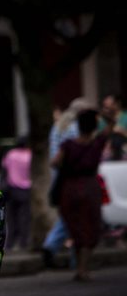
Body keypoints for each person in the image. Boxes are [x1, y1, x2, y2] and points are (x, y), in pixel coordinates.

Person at [53, 108, 111, 282]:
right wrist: (102, 113)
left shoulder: (68, 145)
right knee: (89, 227)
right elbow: (110, 126)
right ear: (94, 126)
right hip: (90, 187)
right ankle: (83, 269)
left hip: (69, 188)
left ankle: (79, 268)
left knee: (76, 228)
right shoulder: (96, 144)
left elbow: (55, 162)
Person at [42, 97, 95, 268]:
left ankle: (69, 257)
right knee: (77, 219)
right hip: (73, 178)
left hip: (58, 177)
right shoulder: (75, 130)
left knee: (70, 216)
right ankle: (55, 248)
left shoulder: (57, 127)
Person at [1, 137, 33, 251]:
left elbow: (4, 170)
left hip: (12, 189)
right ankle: (23, 242)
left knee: (11, 217)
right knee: (24, 217)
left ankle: (10, 242)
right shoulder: (29, 155)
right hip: (26, 189)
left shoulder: (11, 154)